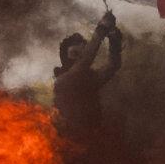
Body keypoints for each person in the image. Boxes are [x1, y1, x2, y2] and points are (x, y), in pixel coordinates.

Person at [52, 11, 122, 141]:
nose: (80, 55)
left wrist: (114, 42)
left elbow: (113, 66)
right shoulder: (63, 81)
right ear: (64, 58)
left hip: (93, 140)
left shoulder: (89, 80)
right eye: (74, 52)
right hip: (70, 143)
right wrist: (102, 28)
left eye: (82, 49)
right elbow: (84, 62)